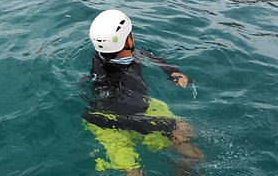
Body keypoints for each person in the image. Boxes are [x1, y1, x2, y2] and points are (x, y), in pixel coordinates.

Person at [83, 10, 204, 175]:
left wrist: (172, 71)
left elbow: (145, 55)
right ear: (129, 39)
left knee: (192, 152)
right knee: (134, 172)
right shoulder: (115, 82)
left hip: (142, 110)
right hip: (111, 125)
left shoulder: (111, 55)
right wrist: (167, 125)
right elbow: (122, 117)